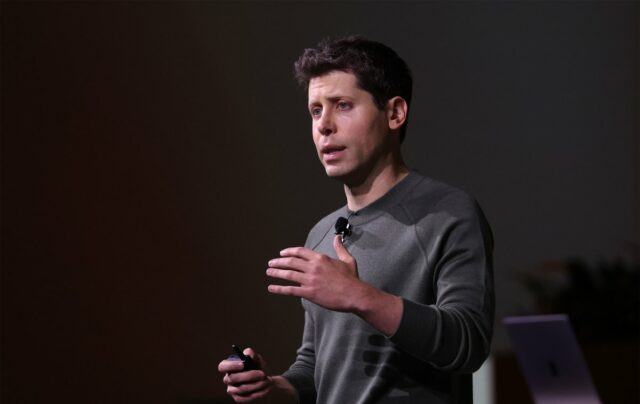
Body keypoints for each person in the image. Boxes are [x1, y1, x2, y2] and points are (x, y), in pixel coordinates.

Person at [218, 35, 494, 404]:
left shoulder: (446, 212)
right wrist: (274, 388)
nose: (324, 126)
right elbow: (316, 365)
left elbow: (467, 343)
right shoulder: (321, 233)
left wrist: (358, 296)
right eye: (315, 111)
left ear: (395, 113)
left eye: (343, 105)